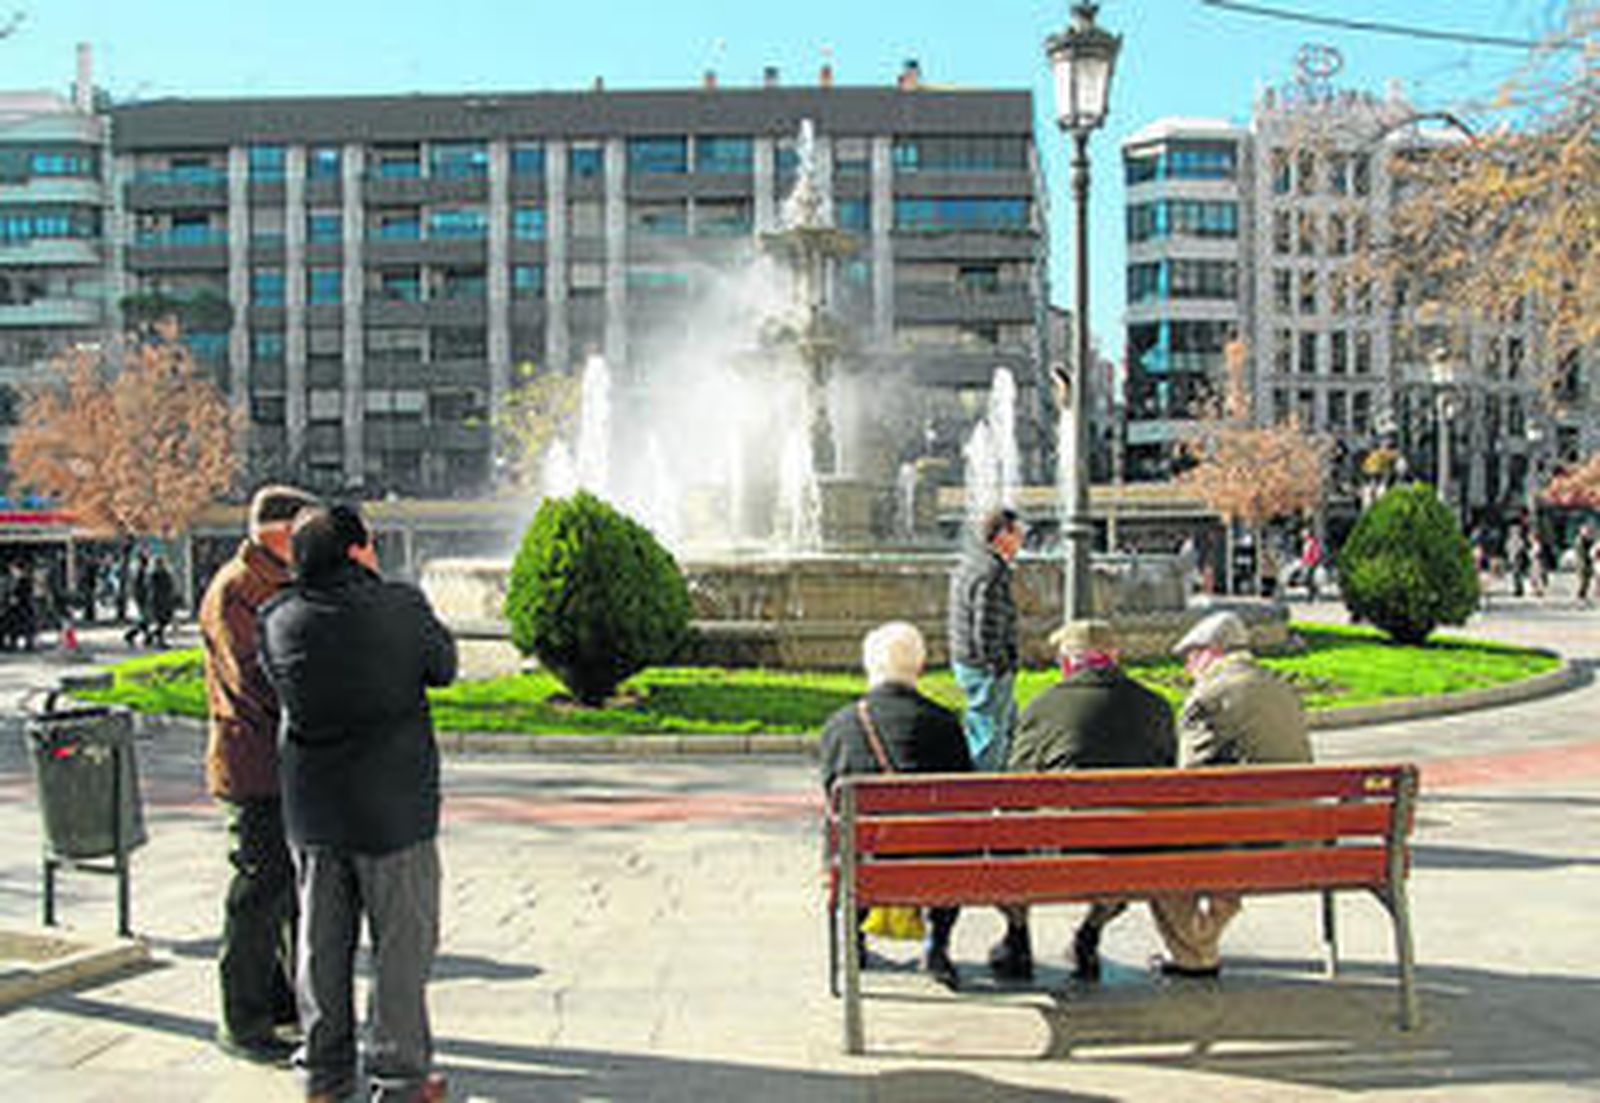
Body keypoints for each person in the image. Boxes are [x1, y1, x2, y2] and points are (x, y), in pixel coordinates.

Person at [260, 503, 456, 1103]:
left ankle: (323, 1075)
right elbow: (443, 666)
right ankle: (399, 1077)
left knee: (321, 948)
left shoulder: (278, 618)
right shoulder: (400, 606)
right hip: (395, 812)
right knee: (401, 949)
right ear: (356, 550)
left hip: (315, 814)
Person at [199, 486, 319, 1066]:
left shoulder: (279, 583)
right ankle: (242, 1022)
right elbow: (254, 678)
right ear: (276, 532)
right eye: (301, 531)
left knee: (284, 896)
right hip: (252, 765)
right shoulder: (236, 588)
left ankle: (281, 1007)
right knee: (257, 893)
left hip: (283, 764)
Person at [988, 619, 1177, 983]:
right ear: (1115, 657)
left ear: (1066, 663)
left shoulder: (1044, 706)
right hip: (1137, 852)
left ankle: (1017, 937)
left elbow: (1016, 789)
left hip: (1063, 849)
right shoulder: (1156, 707)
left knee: (1003, 831)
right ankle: (1090, 932)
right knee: (1123, 831)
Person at [1150, 611, 1311, 978]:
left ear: (1212, 652)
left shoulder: (1207, 697)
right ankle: (1206, 934)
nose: (1188, 666)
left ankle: (1195, 951)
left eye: (1191, 656)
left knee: (1157, 849)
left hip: (1247, 842)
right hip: (1304, 837)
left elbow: (1188, 779)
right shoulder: (1281, 687)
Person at [820, 621, 973, 990]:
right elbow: (965, 796)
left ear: (869, 665)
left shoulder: (840, 725)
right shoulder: (944, 724)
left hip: (864, 862)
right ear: (919, 666)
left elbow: (830, 795)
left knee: (849, 834)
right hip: (935, 863)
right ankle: (937, 945)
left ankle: (854, 940)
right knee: (951, 839)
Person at [947, 507, 1023, 771]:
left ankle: (995, 782)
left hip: (967, 661)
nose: (1021, 540)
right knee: (989, 737)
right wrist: (999, 665)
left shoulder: (971, 563)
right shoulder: (992, 571)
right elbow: (986, 627)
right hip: (985, 669)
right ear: (1002, 535)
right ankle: (984, 788)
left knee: (994, 728)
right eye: (1017, 533)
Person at [146, 554, 178, 647]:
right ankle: (159, 641)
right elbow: (152, 589)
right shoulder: (154, 575)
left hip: (165, 601)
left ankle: (152, 635)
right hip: (158, 601)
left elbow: (170, 587)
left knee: (164, 621)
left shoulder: (165, 573)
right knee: (161, 621)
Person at [124, 547, 151, 647]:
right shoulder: (140, 569)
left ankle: (146, 636)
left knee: (143, 619)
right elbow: (138, 584)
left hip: (140, 596)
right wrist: (139, 595)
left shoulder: (140, 568)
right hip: (141, 597)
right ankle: (131, 635)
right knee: (143, 619)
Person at [1298, 528, 1324, 602]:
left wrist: (1314, 560)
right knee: (1306, 579)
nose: (1302, 536)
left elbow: (1316, 552)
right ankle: (1311, 594)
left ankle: (1312, 595)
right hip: (1307, 562)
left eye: (1304, 535)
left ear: (1307, 534)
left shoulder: (1312, 542)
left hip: (1312, 562)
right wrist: (1303, 562)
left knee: (1310, 578)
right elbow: (1305, 553)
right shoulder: (1306, 543)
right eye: (1302, 535)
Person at [1577, 524, 1596, 606]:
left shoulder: (1587, 540)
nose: (1587, 532)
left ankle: (1583, 598)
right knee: (1583, 582)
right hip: (1582, 565)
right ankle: (1580, 599)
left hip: (1587, 564)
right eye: (1585, 531)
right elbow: (1583, 553)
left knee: (1587, 583)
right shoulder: (1580, 541)